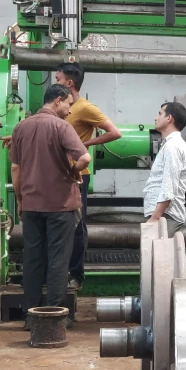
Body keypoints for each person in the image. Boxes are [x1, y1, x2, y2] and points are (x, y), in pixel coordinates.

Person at [10, 84, 91, 328]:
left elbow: (16, 168)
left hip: (32, 205)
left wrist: (21, 200)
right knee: (58, 260)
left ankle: (30, 317)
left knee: (33, 259)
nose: (69, 110)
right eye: (68, 104)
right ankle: (54, 319)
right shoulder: (61, 126)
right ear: (57, 101)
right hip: (60, 206)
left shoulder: (20, 127)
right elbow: (85, 157)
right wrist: (73, 170)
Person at [55, 63, 122, 290]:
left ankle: (76, 275)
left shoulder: (84, 108)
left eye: (58, 79)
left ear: (69, 83)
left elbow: (115, 132)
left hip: (78, 175)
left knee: (76, 225)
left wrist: (87, 144)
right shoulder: (58, 107)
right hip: (56, 174)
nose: (55, 82)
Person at [143, 102, 186, 235]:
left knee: (159, 255)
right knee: (156, 255)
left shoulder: (172, 147)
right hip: (163, 216)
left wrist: (155, 218)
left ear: (169, 118)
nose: (156, 118)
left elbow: (169, 187)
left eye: (159, 114)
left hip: (165, 217)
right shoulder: (170, 145)